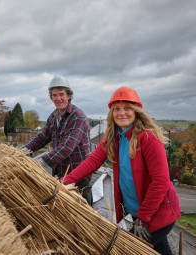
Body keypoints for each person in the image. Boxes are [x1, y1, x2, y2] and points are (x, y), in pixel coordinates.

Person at [62, 86, 181, 254]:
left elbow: (160, 181)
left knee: (125, 250)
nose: (122, 113)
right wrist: (65, 182)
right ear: (111, 113)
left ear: (136, 111)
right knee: (161, 250)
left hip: (158, 213)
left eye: (127, 108)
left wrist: (143, 218)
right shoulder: (113, 136)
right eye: (116, 109)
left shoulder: (148, 137)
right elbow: (93, 161)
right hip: (138, 213)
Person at [23, 75, 92, 205]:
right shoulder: (54, 116)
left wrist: (39, 163)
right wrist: (24, 151)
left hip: (79, 172)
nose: (58, 98)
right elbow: (42, 137)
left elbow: (66, 147)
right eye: (55, 95)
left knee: (83, 207)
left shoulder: (77, 116)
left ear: (69, 96)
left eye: (61, 94)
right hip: (61, 171)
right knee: (65, 207)